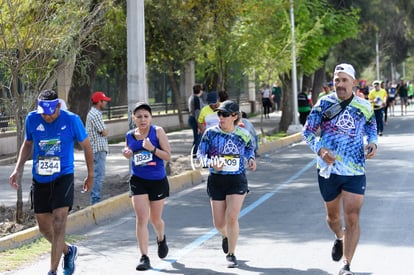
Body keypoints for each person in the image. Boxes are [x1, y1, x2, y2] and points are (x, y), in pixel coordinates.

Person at [302, 63, 378, 275]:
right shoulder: (324, 104)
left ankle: (347, 264)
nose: (340, 84)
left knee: (352, 216)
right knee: (333, 218)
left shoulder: (364, 106)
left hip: (354, 169)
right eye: (337, 80)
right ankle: (338, 237)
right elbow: (307, 132)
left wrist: (373, 143)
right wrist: (319, 149)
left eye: (344, 80)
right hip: (329, 169)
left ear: (353, 82)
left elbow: (372, 127)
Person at [9, 89, 94, 275]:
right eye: (43, 113)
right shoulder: (32, 119)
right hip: (40, 179)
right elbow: (28, 143)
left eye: (51, 112)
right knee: (44, 227)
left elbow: (87, 146)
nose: (47, 117)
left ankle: (52, 271)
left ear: (58, 106)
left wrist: (91, 174)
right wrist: (17, 168)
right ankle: (68, 251)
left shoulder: (71, 120)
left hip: (63, 176)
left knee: (58, 222)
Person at [196, 100, 256, 268]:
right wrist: (210, 163)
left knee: (232, 217)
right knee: (219, 224)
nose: (220, 117)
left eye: (224, 114)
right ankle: (225, 235)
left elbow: (250, 148)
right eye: (219, 114)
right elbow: (200, 155)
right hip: (216, 180)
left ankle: (231, 253)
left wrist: (250, 159)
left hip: (236, 180)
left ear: (234, 116)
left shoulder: (243, 134)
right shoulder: (210, 133)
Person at [122, 102, 171, 271]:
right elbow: (128, 151)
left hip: (157, 180)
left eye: (146, 116)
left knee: (155, 219)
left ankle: (161, 237)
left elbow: (167, 156)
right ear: (133, 118)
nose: (143, 119)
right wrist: (126, 153)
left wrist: (152, 149)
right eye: (139, 116)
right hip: (138, 180)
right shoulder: (129, 135)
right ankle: (144, 257)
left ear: (151, 118)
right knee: (141, 218)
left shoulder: (157, 132)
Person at [86, 91, 112, 204]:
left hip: (96, 148)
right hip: (98, 149)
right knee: (98, 175)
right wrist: (103, 132)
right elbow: (104, 131)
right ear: (99, 102)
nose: (105, 103)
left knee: (97, 174)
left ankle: (95, 198)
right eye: (104, 101)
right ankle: (95, 200)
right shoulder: (96, 114)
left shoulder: (93, 113)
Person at [188, 84, 204, 156]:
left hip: (192, 118)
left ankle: (195, 152)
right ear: (200, 90)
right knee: (198, 137)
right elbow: (197, 111)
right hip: (195, 119)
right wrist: (199, 124)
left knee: (197, 136)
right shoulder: (196, 98)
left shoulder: (192, 97)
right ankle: (195, 152)